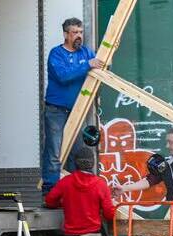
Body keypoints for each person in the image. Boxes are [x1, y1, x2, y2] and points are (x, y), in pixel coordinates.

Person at [42, 17, 105, 195]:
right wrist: (87, 65)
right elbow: (63, 76)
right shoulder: (56, 54)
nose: (79, 36)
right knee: (54, 151)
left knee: (78, 152)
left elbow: (101, 69)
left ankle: (75, 194)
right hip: (56, 110)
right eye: (74, 33)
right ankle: (50, 193)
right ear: (66, 34)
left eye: (80, 32)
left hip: (78, 110)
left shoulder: (86, 52)